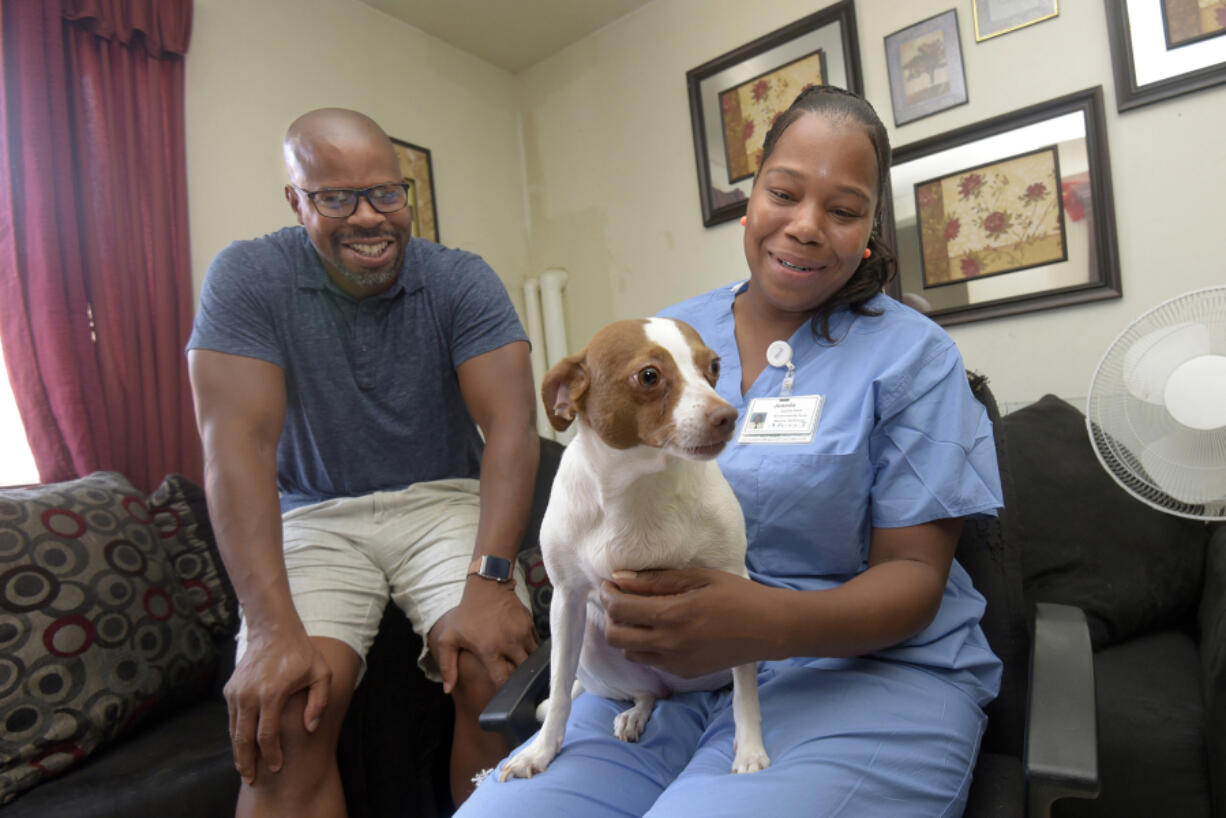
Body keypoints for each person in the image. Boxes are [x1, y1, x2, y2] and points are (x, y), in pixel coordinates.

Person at [458, 85, 1004, 817]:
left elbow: (913, 575)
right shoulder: (677, 332)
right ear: (751, 201)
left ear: (870, 229)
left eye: (842, 211)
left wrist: (762, 622)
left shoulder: (914, 356)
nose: (807, 226)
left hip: (870, 671)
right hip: (672, 677)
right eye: (784, 192)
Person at [186, 108, 540, 817]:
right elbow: (239, 452)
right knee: (284, 710)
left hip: (443, 499)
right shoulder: (248, 277)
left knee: (493, 668)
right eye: (335, 197)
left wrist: (492, 580)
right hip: (314, 512)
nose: (368, 217)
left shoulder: (459, 279)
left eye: (384, 193)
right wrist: (270, 629)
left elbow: (511, 425)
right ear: (296, 199)